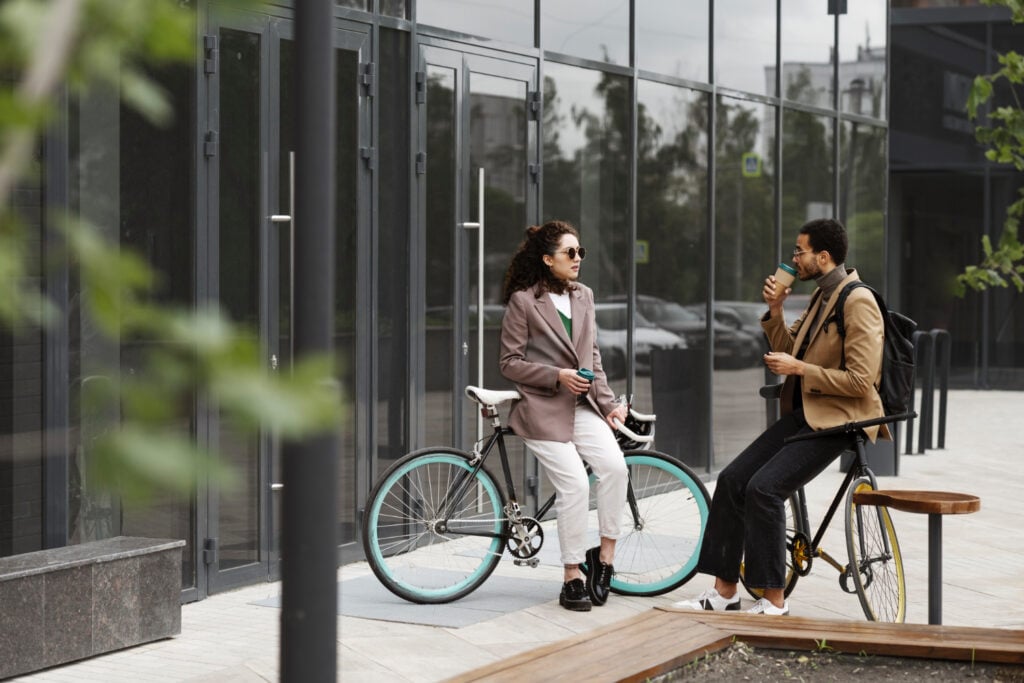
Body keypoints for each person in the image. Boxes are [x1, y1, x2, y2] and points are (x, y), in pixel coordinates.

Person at [674, 217, 889, 616]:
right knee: (734, 479)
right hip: (806, 412)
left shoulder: (857, 300)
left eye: (799, 251)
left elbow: (862, 381)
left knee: (765, 489)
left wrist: (799, 369)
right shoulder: (821, 295)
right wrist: (774, 309)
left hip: (840, 419)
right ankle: (724, 594)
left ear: (822, 257)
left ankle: (774, 601)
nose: (793, 259)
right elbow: (791, 347)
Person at [499, 220, 629, 612]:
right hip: (542, 410)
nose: (577, 259)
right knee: (574, 485)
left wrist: (608, 405)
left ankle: (603, 560)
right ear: (546, 258)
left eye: (580, 252)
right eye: (569, 252)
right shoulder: (524, 301)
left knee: (615, 467)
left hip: (583, 406)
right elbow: (509, 362)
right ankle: (572, 576)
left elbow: (592, 358)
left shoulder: (584, 296)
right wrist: (556, 376)